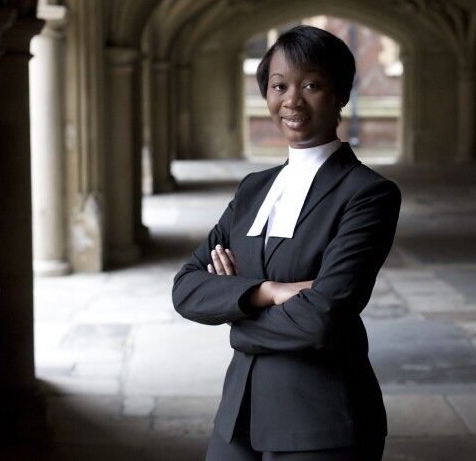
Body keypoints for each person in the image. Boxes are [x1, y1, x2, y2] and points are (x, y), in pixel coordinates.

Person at [172, 25, 401, 461]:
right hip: (237, 416)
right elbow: (186, 288)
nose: (292, 100)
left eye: (311, 84)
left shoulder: (367, 193)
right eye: (279, 86)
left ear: (340, 95)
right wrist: (268, 293)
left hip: (321, 421)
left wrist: (235, 314)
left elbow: (323, 318)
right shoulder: (253, 189)